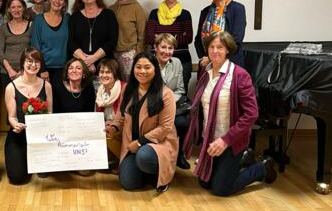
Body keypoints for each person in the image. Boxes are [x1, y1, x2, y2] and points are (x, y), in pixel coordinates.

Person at [184, 31, 277, 196]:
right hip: (210, 140)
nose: (215, 51)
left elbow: (251, 114)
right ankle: (245, 159)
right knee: (205, 182)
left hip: (230, 141)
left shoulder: (239, 75)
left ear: (227, 49)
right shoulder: (205, 73)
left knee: (221, 189)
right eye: (211, 47)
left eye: (220, 47)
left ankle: (262, 168)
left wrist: (225, 140)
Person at [118, 51, 178, 193]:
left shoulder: (166, 94)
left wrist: (139, 142)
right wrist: (113, 127)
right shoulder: (128, 89)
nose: (142, 71)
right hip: (132, 146)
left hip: (157, 144)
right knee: (128, 183)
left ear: (155, 69)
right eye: (138, 67)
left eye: (147, 67)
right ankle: (145, 172)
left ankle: (159, 174)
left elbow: (165, 127)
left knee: (143, 156)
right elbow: (120, 114)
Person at [4, 48, 53, 184]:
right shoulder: (11, 87)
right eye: (29, 61)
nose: (33, 65)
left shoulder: (47, 86)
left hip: (41, 137)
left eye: (37, 62)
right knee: (17, 178)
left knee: (45, 173)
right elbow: (12, 117)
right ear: (22, 63)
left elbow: (50, 113)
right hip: (19, 135)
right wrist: (15, 124)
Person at [145, 0, 193, 89]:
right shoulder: (154, 13)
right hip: (156, 61)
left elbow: (188, 38)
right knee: (156, 93)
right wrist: (176, 36)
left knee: (180, 93)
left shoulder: (185, 14)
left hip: (182, 60)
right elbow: (149, 37)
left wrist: (160, 37)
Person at [195, 0, 246, 68]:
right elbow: (198, 40)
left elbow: (236, 40)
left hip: (230, 64)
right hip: (207, 66)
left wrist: (211, 58)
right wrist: (205, 58)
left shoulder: (237, 9)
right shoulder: (205, 12)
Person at [153, 33, 190, 169]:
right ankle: (157, 156)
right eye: (163, 47)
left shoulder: (177, 63)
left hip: (171, 106)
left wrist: (168, 103)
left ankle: (179, 154)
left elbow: (180, 89)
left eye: (170, 48)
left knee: (183, 123)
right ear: (155, 47)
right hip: (152, 107)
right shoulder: (148, 63)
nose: (167, 51)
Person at [68, 0, 118, 74]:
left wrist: (93, 58)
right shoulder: (74, 17)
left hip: (105, 64)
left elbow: (112, 40)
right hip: (80, 65)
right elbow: (71, 42)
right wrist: (86, 61)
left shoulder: (109, 14)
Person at [109, 0, 147, 81]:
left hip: (130, 55)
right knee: (117, 85)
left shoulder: (136, 7)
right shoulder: (110, 9)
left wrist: (138, 54)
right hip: (113, 55)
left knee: (130, 85)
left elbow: (143, 32)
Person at [30, 0, 69, 86]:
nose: (57, 1)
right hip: (44, 68)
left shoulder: (68, 19)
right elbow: (35, 47)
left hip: (64, 68)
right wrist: (42, 69)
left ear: (64, 3)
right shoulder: (39, 20)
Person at [96, 59, 125, 172]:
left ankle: (124, 161)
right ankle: (112, 160)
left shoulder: (124, 88)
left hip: (123, 126)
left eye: (108, 72)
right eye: (101, 72)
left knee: (106, 134)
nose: (104, 75)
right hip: (109, 124)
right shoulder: (100, 90)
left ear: (115, 74)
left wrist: (113, 124)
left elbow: (127, 115)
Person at [0, 0, 32, 87]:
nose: (16, 10)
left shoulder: (31, 25)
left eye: (19, 7)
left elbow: (34, 49)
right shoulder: (3, 28)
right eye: (13, 7)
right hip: (7, 72)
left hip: (27, 70)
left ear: (24, 8)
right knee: (9, 95)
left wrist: (23, 70)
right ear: (9, 10)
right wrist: (10, 70)